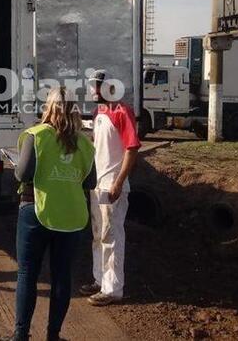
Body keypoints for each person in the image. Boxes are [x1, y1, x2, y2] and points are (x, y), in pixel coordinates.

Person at [3, 87, 96, 341]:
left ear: (49, 107)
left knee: (27, 274)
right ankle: (53, 336)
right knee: (62, 276)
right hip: (71, 216)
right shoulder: (85, 144)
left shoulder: (37, 135)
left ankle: (21, 335)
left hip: (35, 210)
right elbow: (91, 183)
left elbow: (22, 175)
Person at [80, 69, 140, 306]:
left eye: (98, 85)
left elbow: (132, 147)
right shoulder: (99, 112)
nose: (94, 90)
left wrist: (117, 182)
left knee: (112, 236)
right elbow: (98, 144)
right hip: (97, 185)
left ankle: (113, 289)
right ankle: (100, 280)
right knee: (98, 235)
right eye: (93, 85)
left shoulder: (121, 111)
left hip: (112, 187)